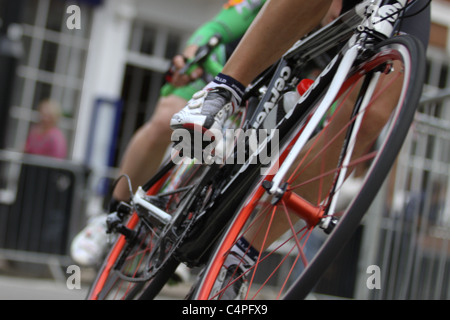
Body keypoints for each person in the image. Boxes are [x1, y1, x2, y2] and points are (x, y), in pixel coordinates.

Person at [169, 0, 431, 299]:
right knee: (174, 120)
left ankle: (236, 263)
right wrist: (190, 55)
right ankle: (221, 93)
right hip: (254, 48)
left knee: (369, 116)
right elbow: (217, 26)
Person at [71, 0, 267, 267]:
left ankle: (206, 244)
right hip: (220, 74)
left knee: (262, 165)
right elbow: (218, 26)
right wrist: (189, 58)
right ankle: (110, 216)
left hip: (265, 98)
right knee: (166, 121)